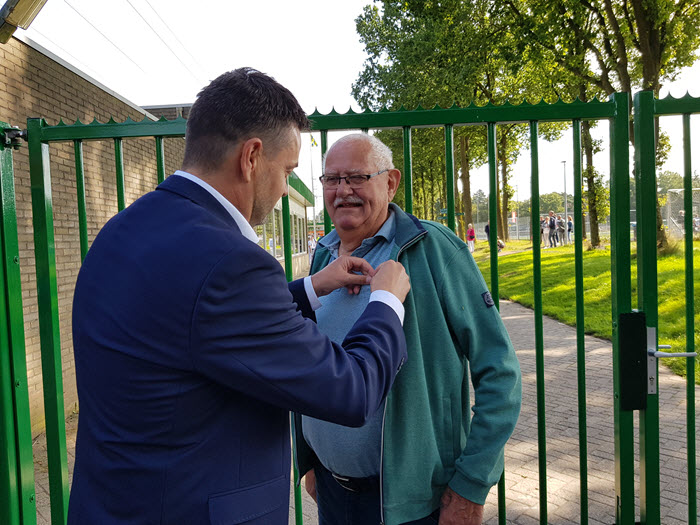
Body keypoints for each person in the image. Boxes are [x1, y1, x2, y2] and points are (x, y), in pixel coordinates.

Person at [68, 69, 412, 525]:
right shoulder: (230, 261)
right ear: (252, 157)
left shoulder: (123, 229)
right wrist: (386, 301)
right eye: (288, 170)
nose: (286, 187)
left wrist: (312, 287)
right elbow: (351, 391)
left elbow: (195, 325)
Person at [294, 134, 521, 525]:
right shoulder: (323, 254)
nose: (342, 191)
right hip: (332, 491)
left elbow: (499, 372)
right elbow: (305, 363)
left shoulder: (432, 248)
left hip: (413, 503)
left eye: (357, 177)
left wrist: (471, 483)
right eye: (331, 179)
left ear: (391, 182)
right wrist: (307, 460)